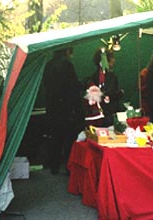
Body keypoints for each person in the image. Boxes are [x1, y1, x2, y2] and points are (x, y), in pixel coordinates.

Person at [43, 47, 84, 175]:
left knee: (55, 137)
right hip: (66, 108)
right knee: (68, 138)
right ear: (67, 51)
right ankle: (68, 166)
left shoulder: (49, 65)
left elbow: (46, 84)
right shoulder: (67, 65)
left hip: (52, 107)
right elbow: (72, 86)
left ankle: (54, 165)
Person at [84, 48, 123, 127]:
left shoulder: (93, 77)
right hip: (108, 116)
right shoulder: (111, 76)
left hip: (98, 116)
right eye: (112, 58)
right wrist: (120, 93)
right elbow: (110, 94)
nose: (114, 61)